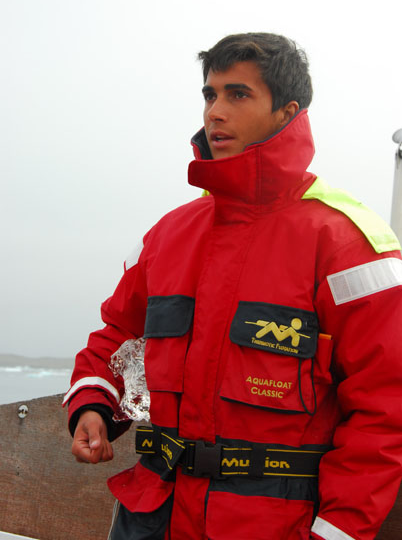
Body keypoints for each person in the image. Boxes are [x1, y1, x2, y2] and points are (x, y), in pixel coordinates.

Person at [64, 33, 402, 540]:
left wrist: (337, 532)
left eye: (237, 94)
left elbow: (385, 408)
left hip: (273, 527)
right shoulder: (169, 236)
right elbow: (116, 338)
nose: (215, 112)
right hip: (151, 517)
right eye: (209, 94)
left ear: (287, 112)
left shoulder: (349, 244)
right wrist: (93, 405)